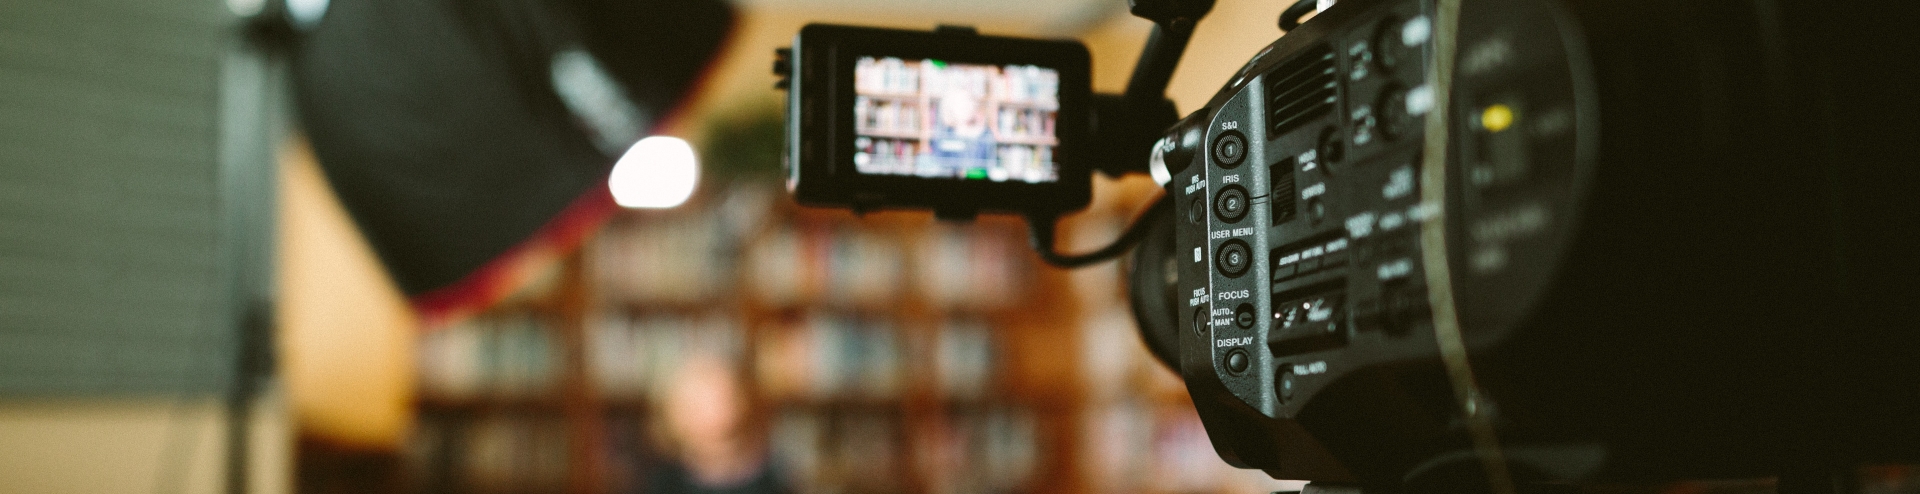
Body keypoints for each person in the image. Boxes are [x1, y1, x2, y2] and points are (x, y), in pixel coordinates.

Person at [637, 353, 791, 494]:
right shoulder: (665, 481)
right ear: (676, 416)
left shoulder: (773, 473)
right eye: (701, 404)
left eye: (722, 399)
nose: (717, 412)